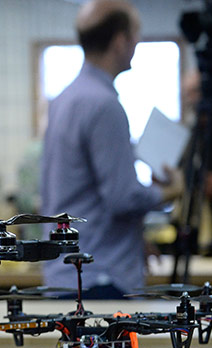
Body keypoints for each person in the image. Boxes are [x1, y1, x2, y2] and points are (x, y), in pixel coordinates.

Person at [39, 0, 184, 298]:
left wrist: (131, 240)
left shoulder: (65, 99)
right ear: (120, 41)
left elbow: (80, 191)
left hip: (70, 270)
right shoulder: (104, 105)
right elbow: (122, 197)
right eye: (135, 35)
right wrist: (170, 191)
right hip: (99, 276)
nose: (137, 43)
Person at [180, 70, 212, 256]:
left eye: (193, 92)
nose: (190, 99)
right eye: (187, 94)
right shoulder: (193, 138)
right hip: (200, 232)